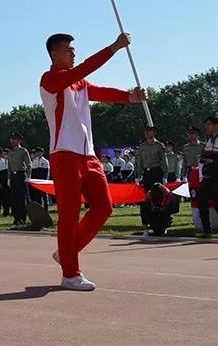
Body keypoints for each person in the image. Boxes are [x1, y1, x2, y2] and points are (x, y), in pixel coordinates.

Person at [40, 32, 147, 291]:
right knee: (69, 214)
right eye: (68, 49)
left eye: (74, 49)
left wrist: (131, 97)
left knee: (104, 206)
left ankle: (68, 252)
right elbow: (86, 67)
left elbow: (103, 92)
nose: (73, 53)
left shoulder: (81, 84)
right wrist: (114, 48)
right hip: (64, 154)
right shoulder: (51, 80)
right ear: (55, 54)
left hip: (88, 155)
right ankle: (70, 273)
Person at [7, 134, 31, 224]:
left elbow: (28, 164)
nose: (13, 141)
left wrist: (28, 176)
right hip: (13, 176)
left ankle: (22, 217)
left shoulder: (23, 151)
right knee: (14, 198)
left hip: (21, 175)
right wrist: (9, 178)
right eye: (12, 140)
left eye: (15, 140)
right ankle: (16, 218)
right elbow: (9, 166)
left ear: (19, 141)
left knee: (21, 198)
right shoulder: (10, 152)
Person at [181, 126, 203, 196]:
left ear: (197, 135)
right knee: (193, 191)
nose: (190, 135)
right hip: (190, 171)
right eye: (189, 134)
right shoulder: (186, 147)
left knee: (202, 190)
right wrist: (183, 175)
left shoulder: (203, 146)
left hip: (201, 171)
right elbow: (184, 162)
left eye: (192, 133)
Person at [0, 150, 10, 217]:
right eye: (3, 154)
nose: (5, 156)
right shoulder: (1, 163)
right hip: (1, 182)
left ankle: (7, 212)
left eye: (6, 154)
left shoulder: (10, 163)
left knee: (7, 198)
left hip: (8, 182)